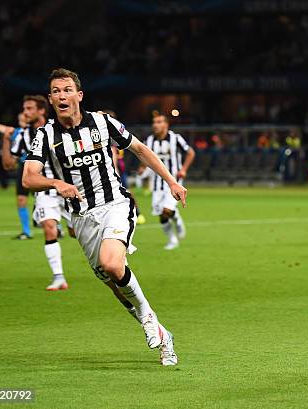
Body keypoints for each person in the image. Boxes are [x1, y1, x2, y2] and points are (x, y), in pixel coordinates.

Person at [23, 68, 186, 366]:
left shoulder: (102, 122)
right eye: (56, 91)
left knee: (113, 264)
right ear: (50, 98)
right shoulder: (45, 135)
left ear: (79, 95)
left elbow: (139, 149)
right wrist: (56, 183)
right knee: (115, 284)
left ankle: (149, 318)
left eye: (67, 89)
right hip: (81, 219)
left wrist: (172, 180)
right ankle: (163, 334)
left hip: (115, 204)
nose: (62, 95)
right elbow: (28, 177)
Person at [1, 96, 72, 289]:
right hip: (44, 191)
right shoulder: (23, 135)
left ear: (41, 110)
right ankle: (59, 277)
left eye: (30, 108)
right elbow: (8, 164)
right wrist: (6, 139)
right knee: (49, 227)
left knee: (76, 232)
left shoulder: (58, 126)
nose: (25, 112)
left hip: (68, 187)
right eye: (24, 108)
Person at [143, 111, 195, 250]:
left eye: (159, 122)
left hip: (174, 182)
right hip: (156, 184)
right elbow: (144, 157)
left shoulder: (175, 138)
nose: (156, 125)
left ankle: (176, 228)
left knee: (166, 210)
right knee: (161, 214)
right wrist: (142, 168)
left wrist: (183, 169)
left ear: (166, 124)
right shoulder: (148, 141)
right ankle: (173, 235)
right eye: (154, 122)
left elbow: (190, 152)